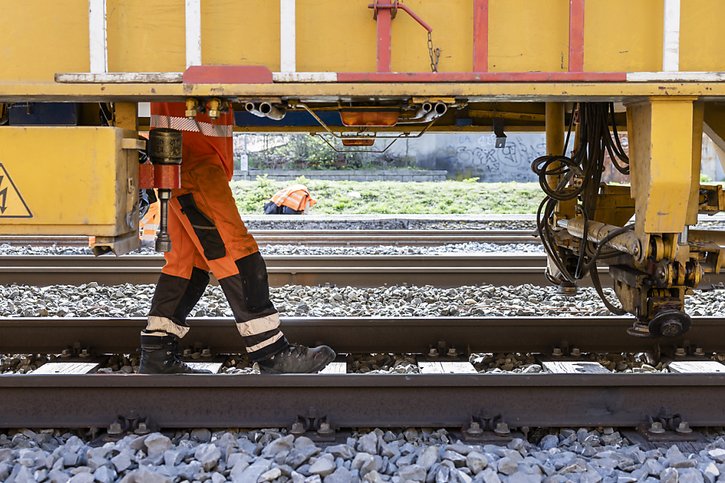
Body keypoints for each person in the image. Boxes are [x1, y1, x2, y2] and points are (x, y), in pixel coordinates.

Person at [139, 102, 335, 374]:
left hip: (180, 159)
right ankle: (271, 352)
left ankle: (157, 353)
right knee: (235, 251)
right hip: (195, 159)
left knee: (186, 263)